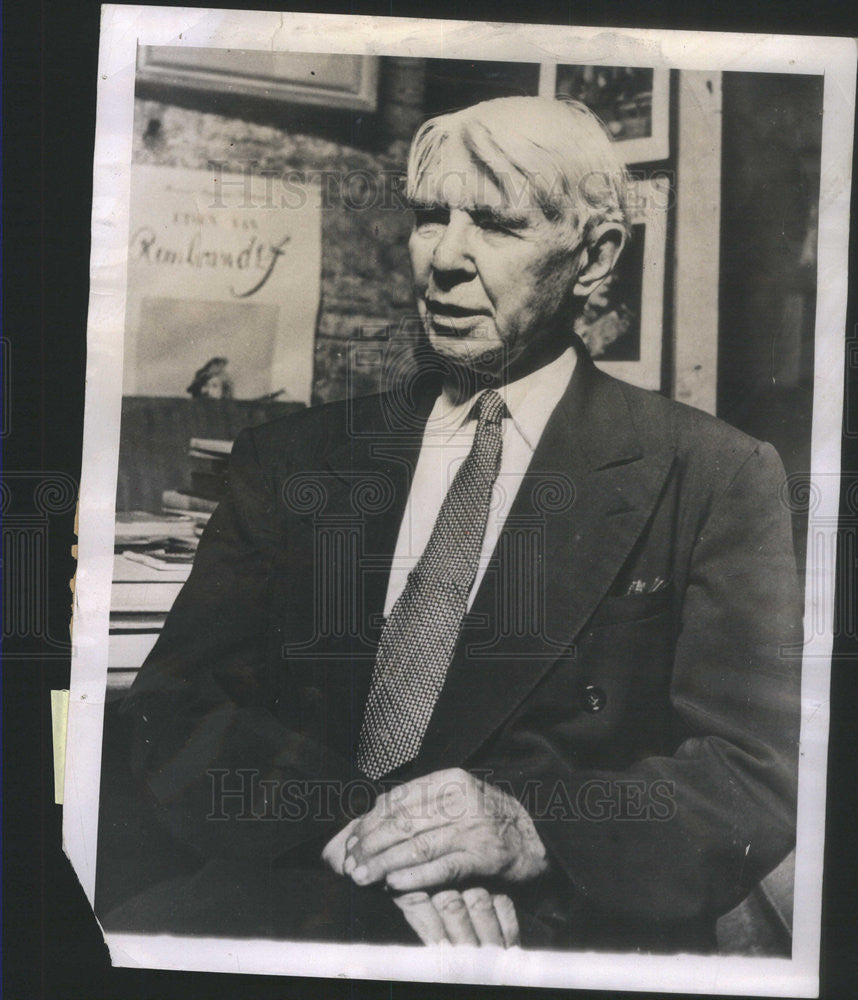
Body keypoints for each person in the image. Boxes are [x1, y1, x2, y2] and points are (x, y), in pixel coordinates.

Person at [103, 96, 802, 953]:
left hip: (548, 929)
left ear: (594, 258)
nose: (446, 259)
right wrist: (358, 830)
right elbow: (173, 709)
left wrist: (530, 828)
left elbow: (756, 776)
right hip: (292, 891)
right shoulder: (290, 460)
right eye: (431, 217)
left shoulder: (715, 476)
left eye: (498, 225)